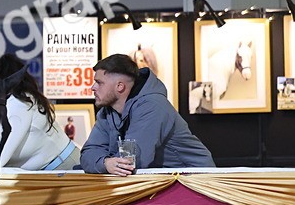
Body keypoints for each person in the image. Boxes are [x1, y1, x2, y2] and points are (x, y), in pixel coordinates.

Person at [81, 54, 214, 175]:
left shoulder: (152, 106)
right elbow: (88, 154)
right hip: (161, 180)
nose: (93, 87)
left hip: (193, 179)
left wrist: (105, 163)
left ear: (120, 86)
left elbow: (131, 162)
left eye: (99, 82)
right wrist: (105, 163)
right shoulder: (108, 111)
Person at [0, 55, 80, 170]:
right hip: (56, 166)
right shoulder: (21, 98)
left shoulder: (19, 103)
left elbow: (1, 158)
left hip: (62, 166)